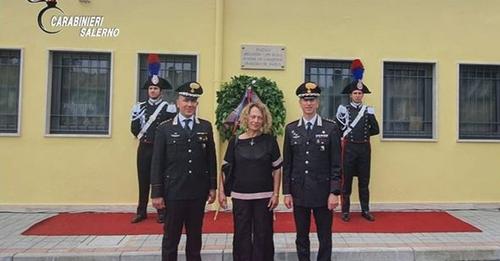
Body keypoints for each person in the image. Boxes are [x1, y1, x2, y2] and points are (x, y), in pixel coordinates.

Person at [150, 81, 217, 261]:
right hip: (173, 192)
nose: (189, 104)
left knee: (195, 240)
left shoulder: (205, 126)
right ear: (178, 102)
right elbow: (157, 162)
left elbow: (211, 158)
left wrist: (212, 187)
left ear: (197, 104)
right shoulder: (165, 128)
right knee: (171, 239)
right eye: (186, 100)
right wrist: (156, 192)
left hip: (197, 193)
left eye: (193, 101)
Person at [282, 82, 342, 261]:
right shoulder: (291, 129)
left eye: (312, 99)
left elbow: (336, 164)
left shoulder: (330, 128)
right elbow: (288, 164)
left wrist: (334, 192)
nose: (308, 103)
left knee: (325, 236)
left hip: (323, 193)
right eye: (305, 100)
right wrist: (287, 192)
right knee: (301, 236)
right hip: (299, 193)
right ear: (300, 103)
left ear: (318, 102)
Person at [218, 102, 282, 261]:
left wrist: (275, 194)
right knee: (241, 235)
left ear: (264, 120)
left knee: (264, 235)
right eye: (253, 116)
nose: (256, 120)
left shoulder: (270, 141)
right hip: (241, 197)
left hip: (264, 198)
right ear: (246, 118)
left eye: (260, 117)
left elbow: (277, 169)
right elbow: (225, 168)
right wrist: (221, 193)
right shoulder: (235, 142)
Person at [130, 54, 176, 224]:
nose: (153, 91)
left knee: (161, 180)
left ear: (161, 91)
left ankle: (162, 211)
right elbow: (134, 128)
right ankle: (141, 211)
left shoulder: (169, 108)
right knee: (143, 179)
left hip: (162, 149)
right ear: (148, 90)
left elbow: (172, 128)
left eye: (156, 89)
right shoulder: (139, 107)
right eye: (150, 89)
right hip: (145, 147)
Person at [335, 59, 380, 222]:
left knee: (364, 182)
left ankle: (365, 210)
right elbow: (339, 130)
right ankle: (345, 211)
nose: (358, 95)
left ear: (363, 95)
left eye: (360, 93)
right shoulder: (343, 110)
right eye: (355, 93)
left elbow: (376, 130)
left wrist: (371, 117)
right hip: (348, 149)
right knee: (346, 182)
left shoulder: (368, 111)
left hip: (364, 150)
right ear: (350, 95)